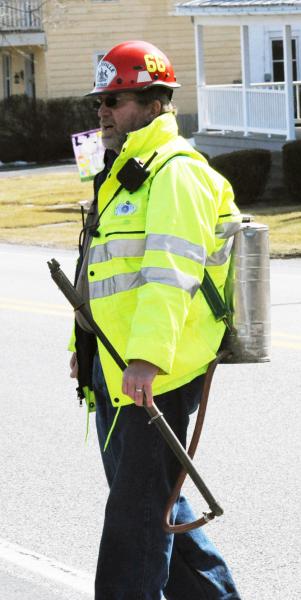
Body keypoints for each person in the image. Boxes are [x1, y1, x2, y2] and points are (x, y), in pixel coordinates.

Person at [69, 40, 242, 600]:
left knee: (134, 528)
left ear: (153, 101)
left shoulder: (178, 173)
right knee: (153, 504)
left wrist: (144, 359)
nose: (102, 112)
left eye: (114, 101)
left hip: (154, 375)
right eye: (101, 101)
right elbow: (100, 271)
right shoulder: (122, 174)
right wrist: (85, 346)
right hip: (115, 372)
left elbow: (171, 275)